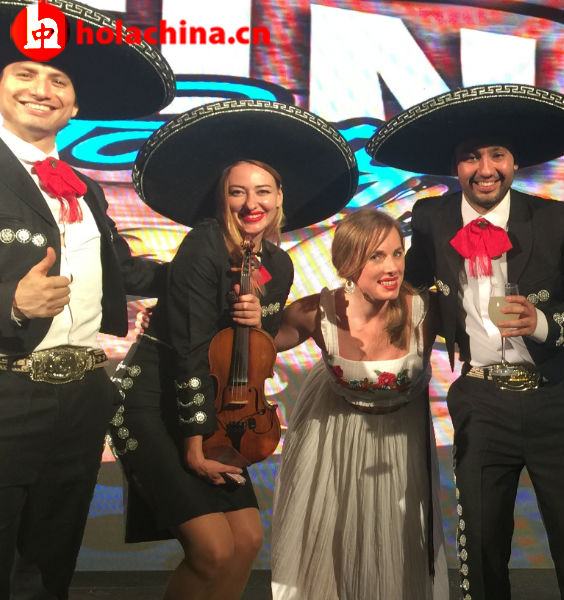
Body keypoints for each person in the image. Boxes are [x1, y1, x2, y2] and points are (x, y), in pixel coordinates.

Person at [108, 99, 357, 600]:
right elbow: (190, 351)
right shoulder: (203, 245)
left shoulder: (278, 265)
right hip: (155, 402)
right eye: (237, 191)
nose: (250, 203)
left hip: (218, 408)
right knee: (213, 550)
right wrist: (196, 444)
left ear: (279, 197)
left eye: (262, 191)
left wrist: (264, 326)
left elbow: (255, 352)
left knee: (246, 541)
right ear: (221, 198)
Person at [367, 83, 564, 600]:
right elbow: (408, 285)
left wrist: (544, 323)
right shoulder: (431, 219)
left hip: (556, 396)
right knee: (480, 546)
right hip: (479, 397)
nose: (484, 169)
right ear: (454, 167)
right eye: (470, 157)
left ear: (514, 162)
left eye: (496, 154)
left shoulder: (559, 218)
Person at [0, 2, 174, 597]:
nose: (41, 89)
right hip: (6, 394)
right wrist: (11, 303)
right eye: (25, 73)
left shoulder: (86, 188)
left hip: (81, 395)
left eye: (58, 80)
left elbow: (121, 270)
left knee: (52, 564)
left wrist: (210, 271)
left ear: (74, 106)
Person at [268, 208, 448, 599]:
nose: (392, 267)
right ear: (349, 263)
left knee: (394, 548)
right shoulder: (317, 312)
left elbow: (486, 336)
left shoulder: (426, 310)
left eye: (397, 253)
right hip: (334, 442)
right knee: (334, 549)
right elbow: (255, 345)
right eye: (376, 256)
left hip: (400, 446)